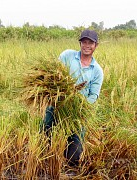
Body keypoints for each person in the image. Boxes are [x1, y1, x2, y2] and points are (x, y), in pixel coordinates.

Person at [41, 29, 104, 171]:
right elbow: (55, 74)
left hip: (77, 112)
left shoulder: (97, 70)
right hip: (58, 104)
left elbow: (93, 96)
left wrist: (80, 105)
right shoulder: (67, 55)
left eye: (90, 43)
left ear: (96, 45)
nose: (87, 45)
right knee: (46, 133)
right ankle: (46, 164)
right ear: (80, 43)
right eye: (84, 42)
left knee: (75, 152)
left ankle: (70, 167)